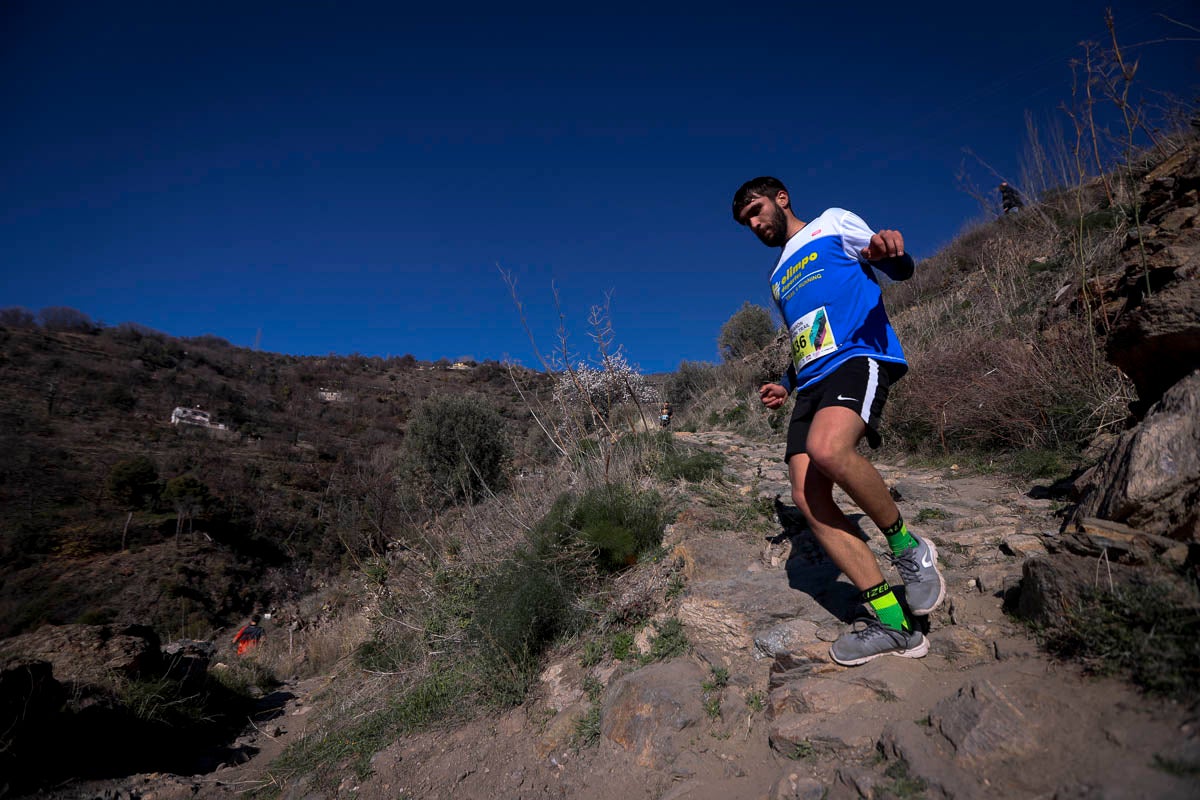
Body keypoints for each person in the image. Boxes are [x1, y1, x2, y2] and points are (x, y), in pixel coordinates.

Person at [731, 176, 945, 666]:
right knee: (807, 496)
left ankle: (910, 550)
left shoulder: (832, 223)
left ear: (780, 197)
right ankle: (892, 624)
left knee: (829, 451)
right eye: (747, 222)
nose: (756, 223)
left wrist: (891, 255)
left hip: (858, 357)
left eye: (758, 210)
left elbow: (895, 266)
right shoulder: (778, 274)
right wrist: (786, 382)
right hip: (811, 381)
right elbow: (805, 334)